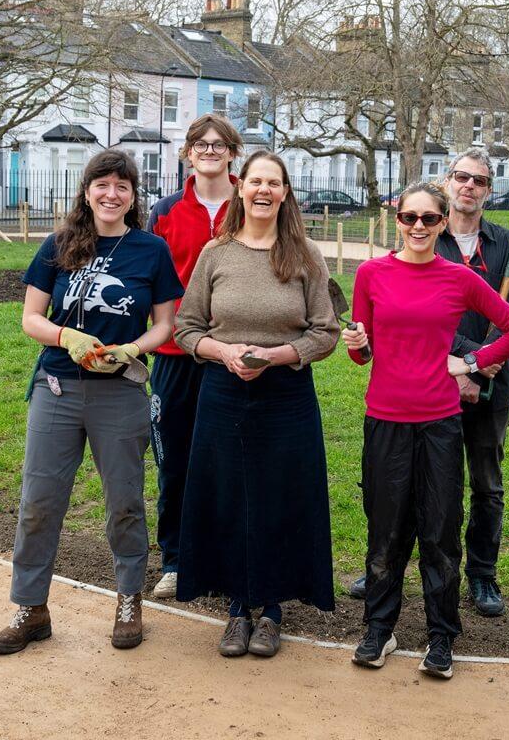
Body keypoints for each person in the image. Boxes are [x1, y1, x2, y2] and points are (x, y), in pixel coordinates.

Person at [0, 151, 183, 654]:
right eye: (103, 184)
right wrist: (64, 337)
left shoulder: (151, 251)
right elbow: (30, 317)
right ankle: (31, 607)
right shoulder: (59, 244)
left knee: (124, 503)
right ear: (88, 190)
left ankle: (127, 599)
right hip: (57, 389)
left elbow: (167, 323)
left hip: (119, 392)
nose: (111, 194)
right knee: (39, 501)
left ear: (133, 195)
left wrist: (134, 348)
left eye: (122, 185)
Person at [342, 182, 509, 680]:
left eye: (428, 219)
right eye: (408, 218)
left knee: (440, 532)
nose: (417, 227)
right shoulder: (371, 274)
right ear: (395, 220)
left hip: (440, 423)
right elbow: (362, 354)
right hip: (385, 419)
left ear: (443, 223)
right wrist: (356, 343)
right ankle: (380, 628)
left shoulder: (459, 278)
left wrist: (472, 363)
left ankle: (442, 635)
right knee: (386, 531)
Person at [172, 150, 339, 658]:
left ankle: (270, 610)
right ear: (242, 189)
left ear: (285, 193)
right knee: (228, 496)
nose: (264, 190)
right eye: (257, 182)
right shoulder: (215, 253)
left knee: (279, 498)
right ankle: (237, 608)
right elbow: (185, 328)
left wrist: (277, 355)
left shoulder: (305, 253)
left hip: (285, 395)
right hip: (223, 393)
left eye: (275, 183)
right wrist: (223, 352)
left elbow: (326, 332)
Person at [146, 114, 244, 600]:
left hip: (232, 354)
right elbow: (146, 278)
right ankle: (177, 560)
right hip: (173, 354)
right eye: (200, 144)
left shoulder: (252, 204)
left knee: (231, 460)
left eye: (219, 144)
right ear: (188, 153)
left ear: (232, 152)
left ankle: (227, 560)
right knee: (175, 461)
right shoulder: (164, 210)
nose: (210, 150)